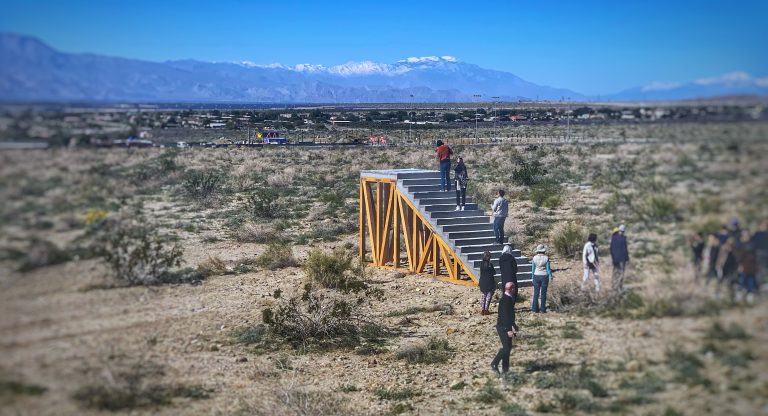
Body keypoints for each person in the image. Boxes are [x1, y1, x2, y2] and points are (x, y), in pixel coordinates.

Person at [490, 281, 518, 375]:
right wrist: (508, 330)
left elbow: (509, 314)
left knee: (508, 348)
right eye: (513, 288)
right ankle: (495, 363)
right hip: (503, 327)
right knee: (506, 348)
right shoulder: (506, 300)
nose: (515, 290)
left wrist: (513, 324)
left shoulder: (507, 298)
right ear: (511, 289)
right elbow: (505, 315)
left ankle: (505, 369)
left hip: (506, 326)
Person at [735, 230, 758, 304]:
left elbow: (739, 257)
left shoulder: (743, 245)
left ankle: (746, 296)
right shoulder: (751, 244)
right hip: (748, 266)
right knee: (746, 280)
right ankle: (746, 295)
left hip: (747, 266)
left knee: (745, 280)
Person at [531, 244, 553, 313]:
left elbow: (533, 269)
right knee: (543, 293)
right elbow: (548, 269)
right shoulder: (546, 258)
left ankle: (535, 309)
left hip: (536, 275)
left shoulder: (534, 258)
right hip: (544, 275)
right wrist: (550, 276)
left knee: (536, 293)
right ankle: (543, 309)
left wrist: (532, 277)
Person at [716, 236, 739, 301]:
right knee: (720, 280)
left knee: (732, 281)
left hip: (732, 268)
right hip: (724, 267)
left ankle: (732, 296)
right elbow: (720, 257)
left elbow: (737, 258)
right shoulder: (724, 248)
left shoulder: (735, 249)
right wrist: (718, 266)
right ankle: (718, 294)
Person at [609, 224, 630, 293]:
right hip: (622, 259)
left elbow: (611, 249)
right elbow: (625, 249)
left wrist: (613, 257)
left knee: (615, 273)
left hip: (615, 259)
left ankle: (613, 286)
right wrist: (627, 259)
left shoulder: (613, 237)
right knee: (621, 273)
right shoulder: (623, 238)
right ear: (623, 231)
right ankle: (619, 287)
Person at [752, 221, 768, 290]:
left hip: (762, 253)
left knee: (761, 269)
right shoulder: (757, 234)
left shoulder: (757, 234)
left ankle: (761, 284)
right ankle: (759, 285)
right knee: (760, 269)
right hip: (759, 253)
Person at [479, 251, 496, 315]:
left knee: (483, 296)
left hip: (482, 281)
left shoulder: (481, 264)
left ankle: (482, 309)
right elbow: (494, 272)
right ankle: (486, 309)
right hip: (489, 281)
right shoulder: (490, 265)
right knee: (488, 296)